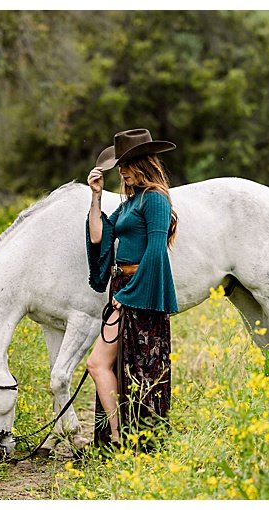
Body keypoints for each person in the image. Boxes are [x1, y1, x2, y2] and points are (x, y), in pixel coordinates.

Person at [83, 128, 178, 451]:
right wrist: (96, 196)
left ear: (143, 163)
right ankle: (119, 437)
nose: (121, 171)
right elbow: (99, 237)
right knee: (111, 365)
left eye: (126, 164)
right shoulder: (129, 203)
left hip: (140, 289)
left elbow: (155, 251)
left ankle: (123, 437)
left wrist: (127, 297)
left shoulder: (154, 199)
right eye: (119, 165)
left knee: (101, 363)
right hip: (122, 287)